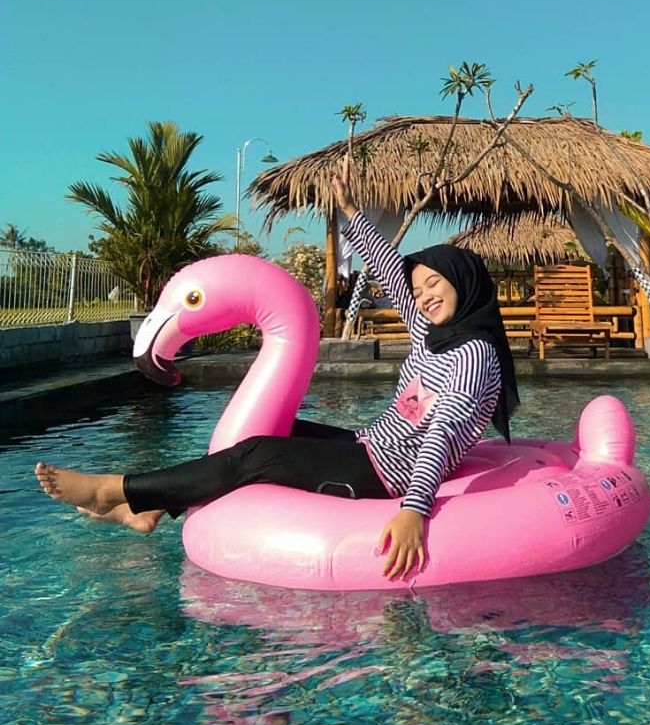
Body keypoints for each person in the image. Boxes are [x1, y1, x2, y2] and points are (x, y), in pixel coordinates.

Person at [34, 154, 521, 582]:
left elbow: (442, 431)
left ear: (465, 283)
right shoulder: (434, 331)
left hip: (390, 473)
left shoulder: (472, 354)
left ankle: (114, 488)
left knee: (256, 455)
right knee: (277, 431)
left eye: (437, 283)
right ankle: (155, 508)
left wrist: (414, 509)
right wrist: (352, 212)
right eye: (422, 288)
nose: (425, 296)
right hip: (371, 445)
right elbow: (392, 273)